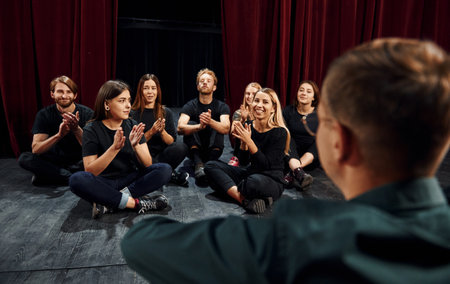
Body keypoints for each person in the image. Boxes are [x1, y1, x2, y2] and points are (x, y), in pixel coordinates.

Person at [121, 38, 450, 283]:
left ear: (341, 142)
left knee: (247, 179)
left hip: (264, 179)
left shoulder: (302, 236)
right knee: (222, 171)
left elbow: (140, 242)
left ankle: (243, 193)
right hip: (241, 170)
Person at [69, 80, 172, 219]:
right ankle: (135, 204)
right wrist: (114, 149)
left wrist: (136, 146)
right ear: (106, 104)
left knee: (164, 170)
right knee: (77, 179)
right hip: (104, 182)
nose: (128, 105)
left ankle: (111, 202)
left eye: (129, 100)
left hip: (129, 180)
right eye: (122, 100)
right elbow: (90, 170)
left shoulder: (132, 124)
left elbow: (148, 163)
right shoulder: (91, 129)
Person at [204, 87, 289, 214]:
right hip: (250, 173)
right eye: (256, 101)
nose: (259, 105)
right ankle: (243, 199)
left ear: (273, 108)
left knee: (251, 183)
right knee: (210, 166)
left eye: (265, 102)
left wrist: (249, 141)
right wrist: (243, 143)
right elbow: (243, 161)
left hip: (271, 179)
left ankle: (230, 188)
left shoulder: (280, 132)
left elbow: (265, 165)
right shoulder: (248, 125)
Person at [18, 75, 93, 186]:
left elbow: (92, 147)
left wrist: (76, 129)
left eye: (69, 92)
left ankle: (53, 176)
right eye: (60, 91)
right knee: (25, 158)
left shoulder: (88, 114)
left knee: (99, 159)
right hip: (54, 161)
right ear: (52, 94)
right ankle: (71, 178)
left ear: (75, 95)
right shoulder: (44, 114)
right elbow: (36, 149)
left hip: (79, 160)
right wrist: (59, 135)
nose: (64, 95)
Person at [131, 74, 189, 187]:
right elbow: (132, 144)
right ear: (140, 91)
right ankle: (169, 175)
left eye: (153, 88)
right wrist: (151, 132)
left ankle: (157, 173)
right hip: (142, 156)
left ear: (158, 91)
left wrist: (162, 132)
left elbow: (171, 141)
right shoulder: (132, 114)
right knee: (133, 154)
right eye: (146, 88)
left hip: (161, 156)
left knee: (181, 147)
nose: (150, 92)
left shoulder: (166, 112)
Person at [177, 68, 230, 185]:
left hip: (213, 149)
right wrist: (199, 126)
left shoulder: (222, 106)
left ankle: (209, 164)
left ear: (214, 87)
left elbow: (226, 128)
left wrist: (210, 122)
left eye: (208, 80)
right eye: (202, 81)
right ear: (197, 86)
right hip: (195, 150)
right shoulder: (190, 105)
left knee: (218, 124)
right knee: (189, 124)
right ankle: (199, 164)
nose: (205, 82)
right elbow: (180, 128)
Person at [282, 80, 319, 190]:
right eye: (301, 90)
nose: (303, 93)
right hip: (289, 154)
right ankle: (299, 173)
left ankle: (295, 170)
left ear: (314, 97)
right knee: (286, 135)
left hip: (311, 158)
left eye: (308, 91)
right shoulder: (288, 111)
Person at [227, 82, 261, 167]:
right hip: (241, 150)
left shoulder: (262, 112)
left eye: (253, 94)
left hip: (257, 150)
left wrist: (250, 118)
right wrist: (242, 120)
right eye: (247, 93)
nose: (250, 96)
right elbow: (233, 134)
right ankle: (238, 158)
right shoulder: (238, 113)